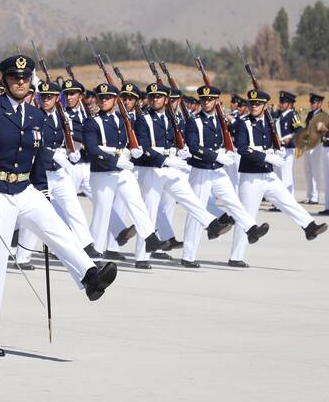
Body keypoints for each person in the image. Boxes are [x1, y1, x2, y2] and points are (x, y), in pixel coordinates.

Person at [0, 55, 117, 357]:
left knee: (58, 229)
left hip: (25, 189)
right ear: (5, 80)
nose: (20, 82)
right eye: (14, 77)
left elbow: (38, 158)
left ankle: (89, 276)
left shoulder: (35, 115)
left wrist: (42, 192)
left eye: (25, 78)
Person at [132, 83, 232, 269]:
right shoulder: (143, 120)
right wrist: (165, 160)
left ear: (166, 99)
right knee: (150, 212)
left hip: (172, 166)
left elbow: (177, 141)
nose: (154, 99)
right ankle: (141, 258)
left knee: (189, 197)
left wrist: (181, 151)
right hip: (153, 168)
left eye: (158, 96)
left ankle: (211, 224)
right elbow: (144, 147)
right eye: (152, 96)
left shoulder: (173, 119)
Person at [227, 89, 328, 267]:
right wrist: (266, 156)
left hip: (268, 175)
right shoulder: (244, 124)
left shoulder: (270, 123)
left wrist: (277, 151)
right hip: (251, 177)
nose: (254, 106)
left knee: (288, 200)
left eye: (258, 104)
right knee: (247, 216)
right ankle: (236, 257)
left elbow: (273, 142)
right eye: (251, 104)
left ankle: (309, 227)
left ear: (265, 105)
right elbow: (242, 148)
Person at [181, 85, 269, 268]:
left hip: (218, 170)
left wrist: (228, 151)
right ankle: (188, 256)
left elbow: (235, 135)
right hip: (202, 170)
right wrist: (216, 155)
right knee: (196, 212)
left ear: (216, 101)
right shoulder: (193, 121)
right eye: (203, 100)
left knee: (234, 202)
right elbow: (193, 146)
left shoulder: (222, 120)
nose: (206, 103)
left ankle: (251, 229)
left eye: (210, 100)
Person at [15, 80, 99, 267]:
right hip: (40, 173)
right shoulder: (33, 116)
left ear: (56, 98)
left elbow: (69, 138)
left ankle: (86, 244)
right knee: (34, 213)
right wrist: (53, 155)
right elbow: (33, 143)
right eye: (42, 97)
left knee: (73, 208)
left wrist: (72, 152)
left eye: (49, 97)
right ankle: (22, 256)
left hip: (59, 172)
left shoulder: (63, 116)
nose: (45, 100)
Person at [82, 83, 164, 256]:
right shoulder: (92, 122)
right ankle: (94, 252)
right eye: (101, 98)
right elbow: (92, 149)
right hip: (102, 172)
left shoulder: (123, 120)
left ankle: (150, 238)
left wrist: (134, 150)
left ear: (115, 100)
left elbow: (130, 142)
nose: (104, 101)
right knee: (102, 214)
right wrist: (116, 159)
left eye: (108, 98)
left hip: (123, 171)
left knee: (136, 202)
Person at [274, 91, 303, 195]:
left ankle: (288, 197)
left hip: (287, 149)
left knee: (286, 176)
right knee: (278, 176)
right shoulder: (280, 115)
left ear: (290, 103)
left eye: (283, 102)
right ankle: (280, 199)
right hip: (279, 149)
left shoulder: (293, 116)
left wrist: (290, 140)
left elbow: (300, 132)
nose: (280, 104)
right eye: (280, 101)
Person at [302, 93, 325, 204]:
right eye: (311, 102)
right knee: (308, 171)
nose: (311, 104)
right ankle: (309, 195)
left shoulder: (322, 115)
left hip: (316, 145)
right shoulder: (310, 114)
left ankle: (315, 197)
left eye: (313, 102)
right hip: (308, 145)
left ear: (319, 103)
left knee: (315, 171)